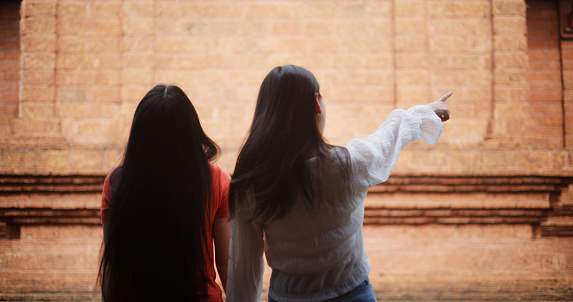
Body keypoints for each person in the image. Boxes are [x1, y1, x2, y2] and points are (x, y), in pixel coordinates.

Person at [226, 65, 451, 302]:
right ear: (316, 103)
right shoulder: (347, 166)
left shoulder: (250, 182)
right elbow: (386, 140)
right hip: (352, 293)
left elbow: (244, 269)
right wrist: (423, 112)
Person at [98, 84, 231, 302]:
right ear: (191, 132)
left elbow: (113, 270)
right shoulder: (217, 180)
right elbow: (226, 265)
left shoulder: (117, 183)